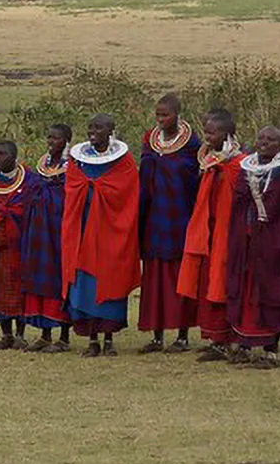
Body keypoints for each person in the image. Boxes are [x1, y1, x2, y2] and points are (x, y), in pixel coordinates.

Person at [63, 115, 142, 358]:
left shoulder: (124, 161)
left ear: (111, 131)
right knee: (85, 281)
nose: (92, 131)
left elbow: (127, 193)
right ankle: (92, 340)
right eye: (90, 127)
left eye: (99, 128)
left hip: (111, 230)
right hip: (83, 227)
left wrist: (100, 191)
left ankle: (108, 338)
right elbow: (72, 185)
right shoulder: (79, 160)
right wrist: (88, 189)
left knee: (109, 278)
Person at [227, 127, 280, 369]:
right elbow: (238, 199)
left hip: (273, 243)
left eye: (271, 140)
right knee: (246, 289)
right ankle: (244, 345)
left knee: (270, 289)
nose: (264, 143)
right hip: (247, 240)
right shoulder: (246, 167)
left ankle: (271, 350)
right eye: (261, 138)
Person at [178, 109, 244, 362]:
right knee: (209, 281)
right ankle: (216, 339)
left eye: (212, 133)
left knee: (225, 280)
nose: (207, 137)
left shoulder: (238, 163)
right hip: (210, 229)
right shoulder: (209, 159)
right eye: (205, 132)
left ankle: (234, 339)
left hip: (228, 232)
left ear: (226, 134)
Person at [138, 94, 201, 353]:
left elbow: (192, 178)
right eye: (158, 115)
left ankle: (183, 335)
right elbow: (144, 177)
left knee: (180, 275)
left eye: (166, 115)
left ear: (178, 114)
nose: (161, 120)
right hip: (154, 218)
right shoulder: (149, 142)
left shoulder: (192, 145)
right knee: (155, 277)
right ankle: (156, 335)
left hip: (179, 218)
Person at [20, 124, 73, 352]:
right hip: (40, 231)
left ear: (67, 141)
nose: (51, 142)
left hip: (60, 231)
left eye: (57, 139)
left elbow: (72, 197)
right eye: (49, 137)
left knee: (58, 280)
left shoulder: (72, 167)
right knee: (40, 280)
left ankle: (63, 337)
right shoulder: (43, 166)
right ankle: (44, 334)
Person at [0, 140, 34, 350]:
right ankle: (6, 334)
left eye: (2, 155)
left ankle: (21, 334)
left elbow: (30, 208)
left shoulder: (28, 180)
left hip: (20, 244)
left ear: (14, 157)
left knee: (21, 288)